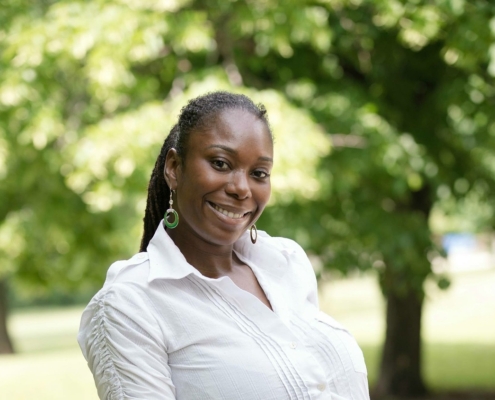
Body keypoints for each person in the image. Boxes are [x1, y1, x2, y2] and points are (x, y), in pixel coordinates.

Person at [78, 91, 370, 400]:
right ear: (175, 168)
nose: (241, 188)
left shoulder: (287, 263)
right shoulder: (131, 303)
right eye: (220, 163)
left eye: (259, 173)